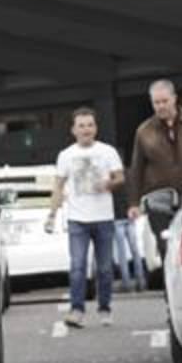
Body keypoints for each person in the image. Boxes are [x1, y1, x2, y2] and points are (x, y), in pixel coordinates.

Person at [46, 107, 125, 328]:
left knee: (105, 268)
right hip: (77, 219)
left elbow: (120, 177)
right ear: (73, 130)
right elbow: (58, 186)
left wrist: (108, 183)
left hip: (104, 218)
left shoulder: (107, 151)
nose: (86, 129)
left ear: (96, 127)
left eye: (90, 125)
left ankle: (105, 307)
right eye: (81, 125)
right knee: (78, 266)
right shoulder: (66, 155)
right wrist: (52, 214)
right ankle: (77, 310)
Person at [126, 79, 182, 259]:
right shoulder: (144, 131)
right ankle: (169, 285)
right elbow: (137, 168)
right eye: (156, 103)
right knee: (166, 247)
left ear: (174, 98)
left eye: (164, 101)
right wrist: (134, 203)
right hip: (159, 199)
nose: (161, 106)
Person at [111, 181, 147, 292]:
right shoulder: (127, 180)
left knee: (122, 253)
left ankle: (126, 283)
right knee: (135, 251)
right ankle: (141, 281)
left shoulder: (110, 182)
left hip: (117, 219)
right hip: (129, 217)